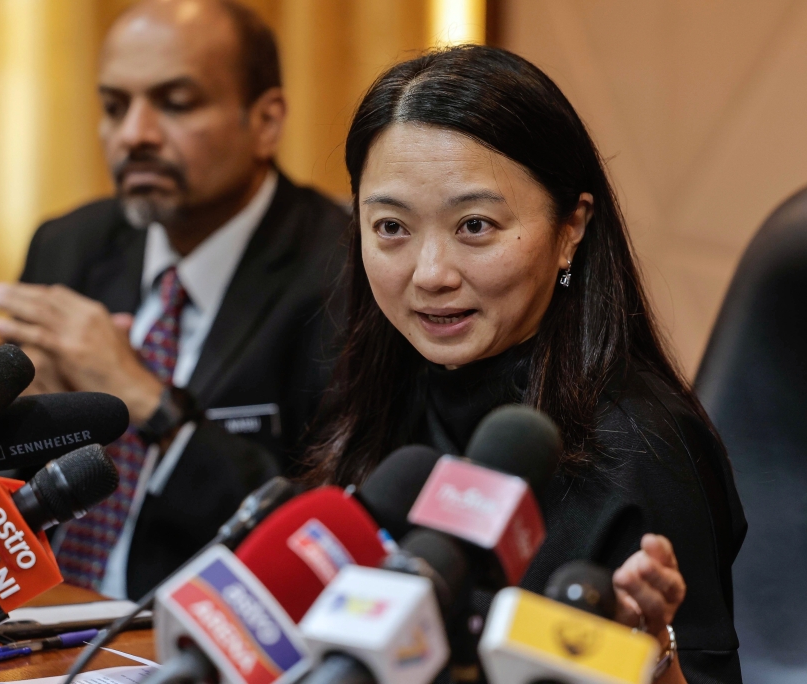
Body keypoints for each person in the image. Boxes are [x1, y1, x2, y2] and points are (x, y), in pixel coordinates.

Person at [305, 46, 746, 683]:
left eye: (475, 225)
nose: (430, 274)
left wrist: (655, 660)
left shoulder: (642, 448)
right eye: (392, 228)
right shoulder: (380, 397)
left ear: (572, 227)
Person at [0, 0, 348, 599]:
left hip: (199, 625)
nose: (135, 135)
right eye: (114, 107)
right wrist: (15, 426)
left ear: (265, 122)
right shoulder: (68, 246)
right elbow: (2, 491)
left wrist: (146, 402)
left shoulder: (343, 272)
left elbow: (321, 537)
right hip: (33, 612)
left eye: (176, 104)